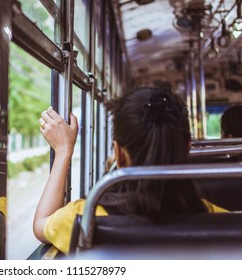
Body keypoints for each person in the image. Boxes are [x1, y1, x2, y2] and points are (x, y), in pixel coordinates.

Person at [34, 87, 226, 254]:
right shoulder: (220, 221)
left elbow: (41, 223)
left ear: (119, 153)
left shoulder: (85, 219)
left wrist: (63, 151)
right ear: (187, 149)